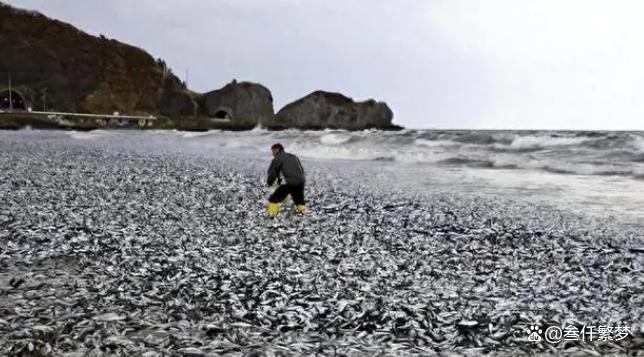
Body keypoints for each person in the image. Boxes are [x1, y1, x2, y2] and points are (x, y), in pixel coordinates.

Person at [266, 143, 306, 215]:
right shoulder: (294, 156)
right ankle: (302, 214)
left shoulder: (277, 159)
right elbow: (301, 170)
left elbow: (272, 173)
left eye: (273, 151)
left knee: (273, 199)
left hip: (291, 183)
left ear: (277, 150)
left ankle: (271, 215)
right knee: (299, 200)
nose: (272, 154)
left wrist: (270, 183)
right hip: (301, 181)